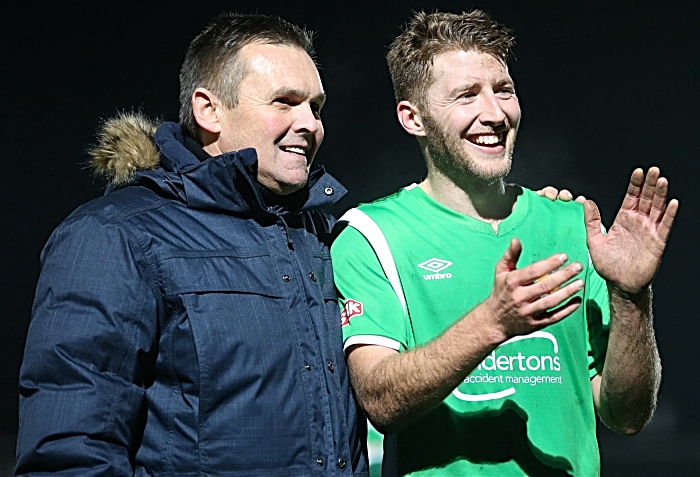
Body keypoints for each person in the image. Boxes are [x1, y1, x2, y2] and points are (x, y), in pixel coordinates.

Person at [16, 13, 369, 476]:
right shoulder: (115, 235)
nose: (311, 124)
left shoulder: (328, 238)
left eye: (316, 108)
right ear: (209, 110)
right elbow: (69, 451)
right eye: (285, 102)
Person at [331, 10, 678, 477]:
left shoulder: (575, 225)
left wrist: (632, 296)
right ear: (413, 118)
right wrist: (492, 323)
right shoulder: (371, 235)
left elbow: (627, 416)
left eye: (504, 90)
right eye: (467, 95)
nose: (494, 113)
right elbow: (379, 401)